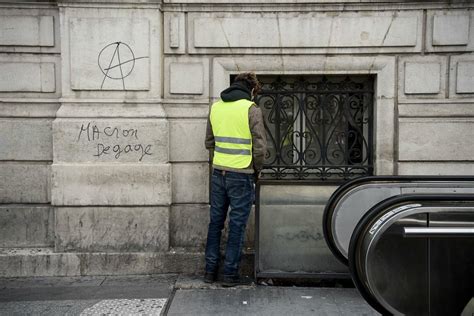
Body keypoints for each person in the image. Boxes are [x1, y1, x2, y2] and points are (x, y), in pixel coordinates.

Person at [204, 72, 267, 287]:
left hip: (218, 172)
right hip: (241, 174)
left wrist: (219, 162)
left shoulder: (215, 108)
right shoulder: (251, 109)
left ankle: (209, 271)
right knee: (237, 225)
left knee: (215, 223)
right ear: (251, 90)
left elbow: (209, 142)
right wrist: (256, 170)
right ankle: (230, 274)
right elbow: (259, 147)